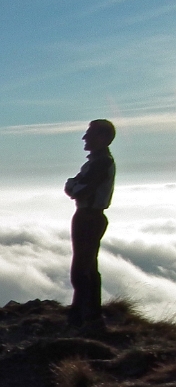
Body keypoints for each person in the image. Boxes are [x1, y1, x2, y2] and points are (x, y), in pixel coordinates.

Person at [64, 119, 115, 329]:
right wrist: (74, 186)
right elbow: (74, 185)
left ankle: (87, 316)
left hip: (89, 217)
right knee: (87, 266)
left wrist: (73, 186)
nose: (85, 138)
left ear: (102, 138)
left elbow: (77, 189)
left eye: (90, 134)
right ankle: (86, 313)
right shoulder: (97, 161)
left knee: (82, 268)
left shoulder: (100, 163)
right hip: (88, 216)